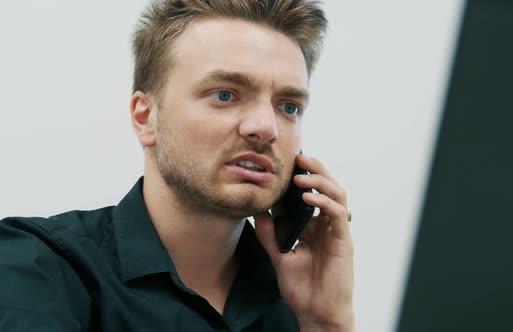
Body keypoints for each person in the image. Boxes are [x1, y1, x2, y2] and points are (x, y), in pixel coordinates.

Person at [0, 0, 354, 331]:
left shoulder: (296, 307)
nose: (266, 127)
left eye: (289, 106)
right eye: (225, 95)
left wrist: (326, 323)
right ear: (146, 117)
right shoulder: (40, 267)